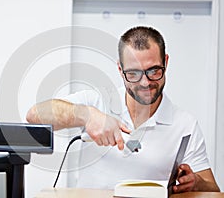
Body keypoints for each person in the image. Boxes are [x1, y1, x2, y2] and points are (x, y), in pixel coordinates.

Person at [26, 26, 220, 193]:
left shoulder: (185, 124)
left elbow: (213, 189)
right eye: (133, 73)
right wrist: (87, 115)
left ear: (166, 62)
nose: (145, 82)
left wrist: (196, 183)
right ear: (120, 70)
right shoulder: (97, 101)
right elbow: (34, 115)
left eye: (154, 71)